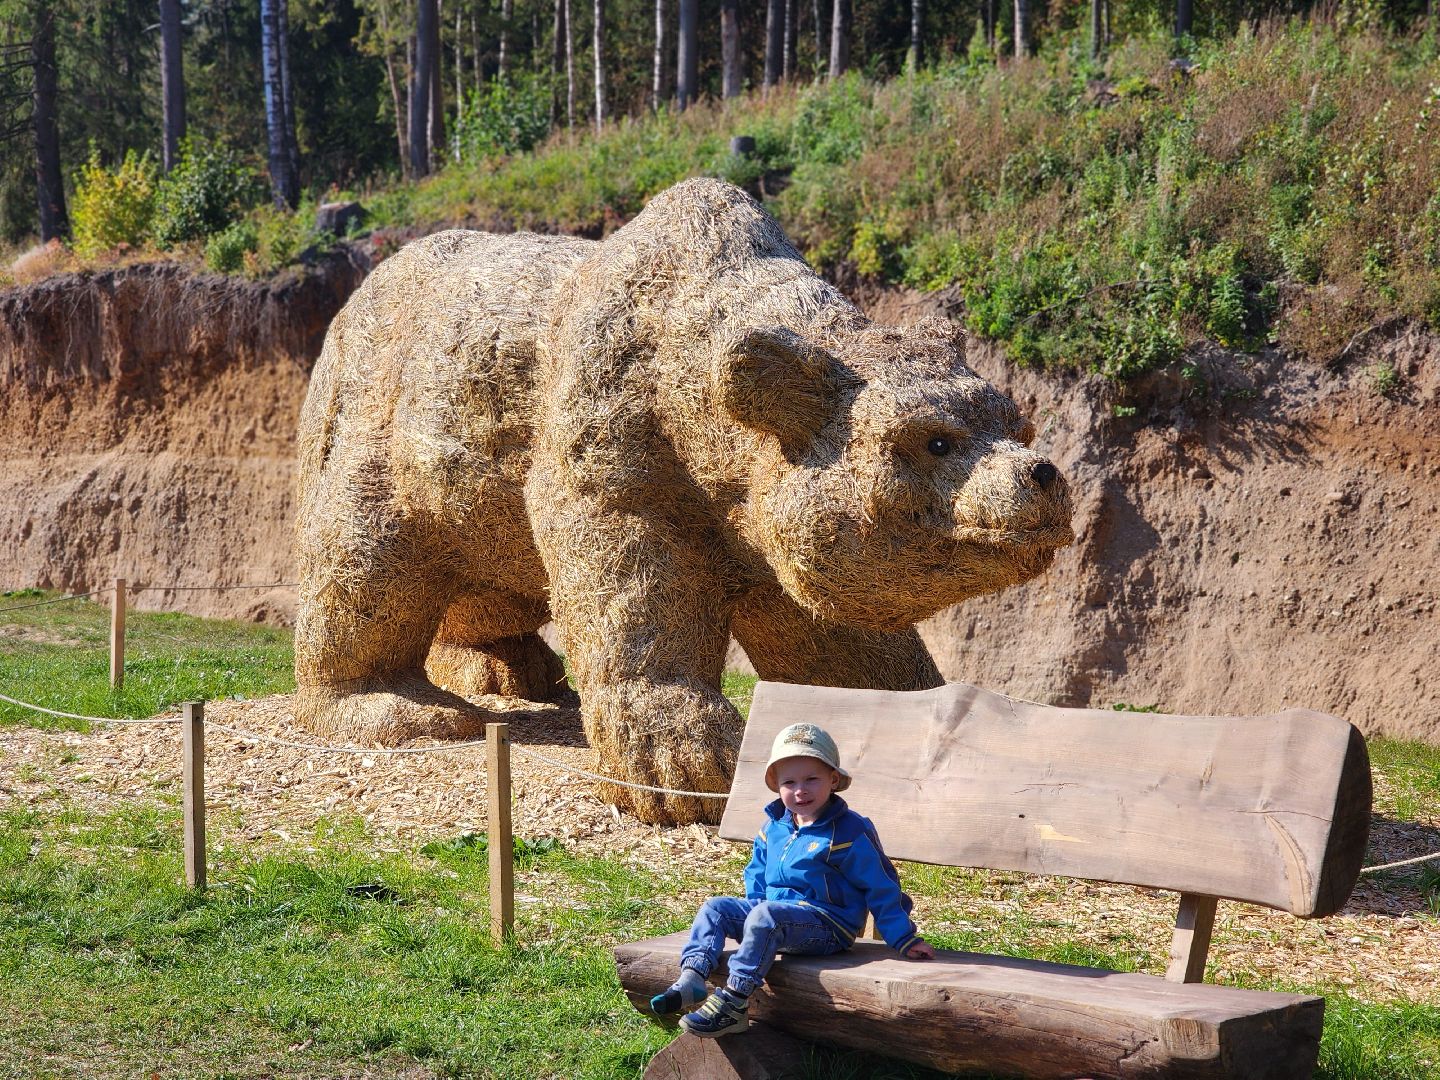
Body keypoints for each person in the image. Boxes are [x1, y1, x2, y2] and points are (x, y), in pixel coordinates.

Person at [650, 722, 935, 1038]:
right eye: (789, 782)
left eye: (812, 779)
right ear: (777, 786)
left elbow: (881, 885)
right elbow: (757, 876)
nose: (801, 790)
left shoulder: (848, 832)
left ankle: (734, 1003)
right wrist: (752, 921)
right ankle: (692, 976)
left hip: (828, 926)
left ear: (833, 779)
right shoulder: (773, 828)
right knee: (715, 908)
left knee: (766, 916)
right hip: (775, 919)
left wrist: (903, 938)